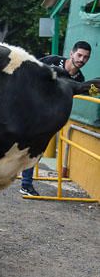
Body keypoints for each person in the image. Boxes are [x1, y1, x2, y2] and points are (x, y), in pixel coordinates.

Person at [20, 41, 92, 196]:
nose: (81, 59)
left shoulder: (80, 79)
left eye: (86, 57)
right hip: (29, 105)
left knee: (37, 148)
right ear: (71, 53)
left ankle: (25, 184)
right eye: (79, 55)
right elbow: (29, 71)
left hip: (49, 116)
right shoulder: (52, 61)